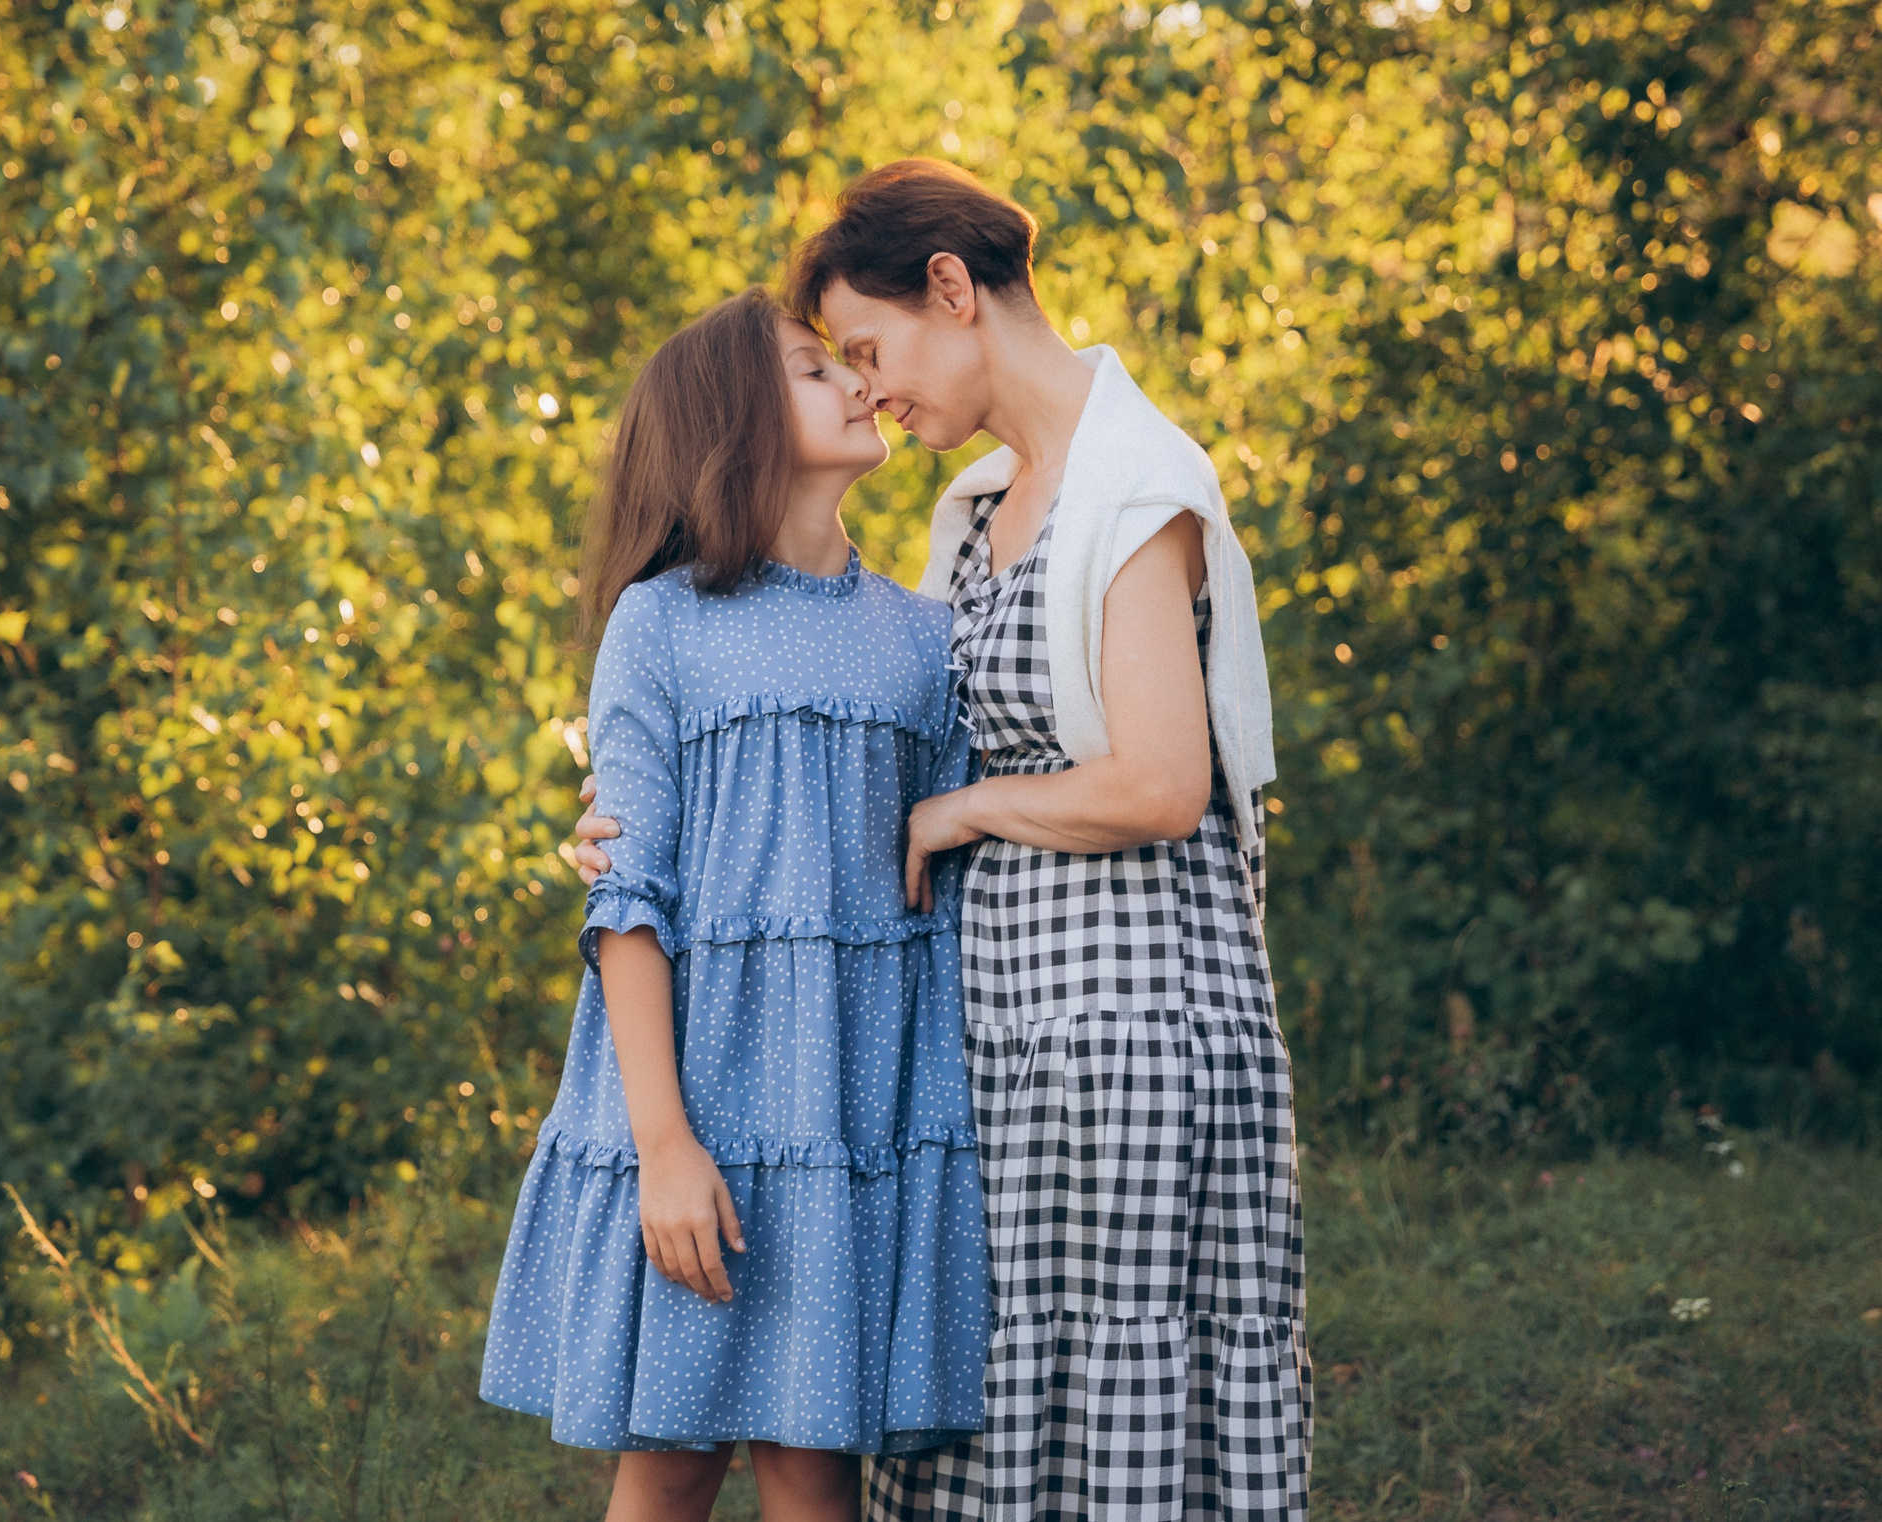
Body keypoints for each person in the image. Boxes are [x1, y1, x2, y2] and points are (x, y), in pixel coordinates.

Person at [575, 161, 1309, 1521]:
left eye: (865, 349)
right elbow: (725, 829)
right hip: (857, 1060)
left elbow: (1125, 777)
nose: (866, 386)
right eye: (829, 366)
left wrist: (957, 809)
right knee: (768, 1438)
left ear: (952, 292)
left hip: (1008, 1060)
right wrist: (623, 845)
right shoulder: (949, 526)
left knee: (946, 1431)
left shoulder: (1067, 526)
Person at [480, 287, 989, 1522]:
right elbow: (630, 902)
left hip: (851, 1100)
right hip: (693, 1092)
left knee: (817, 1465)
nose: (859, 381)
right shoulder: (660, 625)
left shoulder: (928, 636)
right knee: (672, 1455)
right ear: (737, 425)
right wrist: (664, 1143)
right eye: (819, 370)